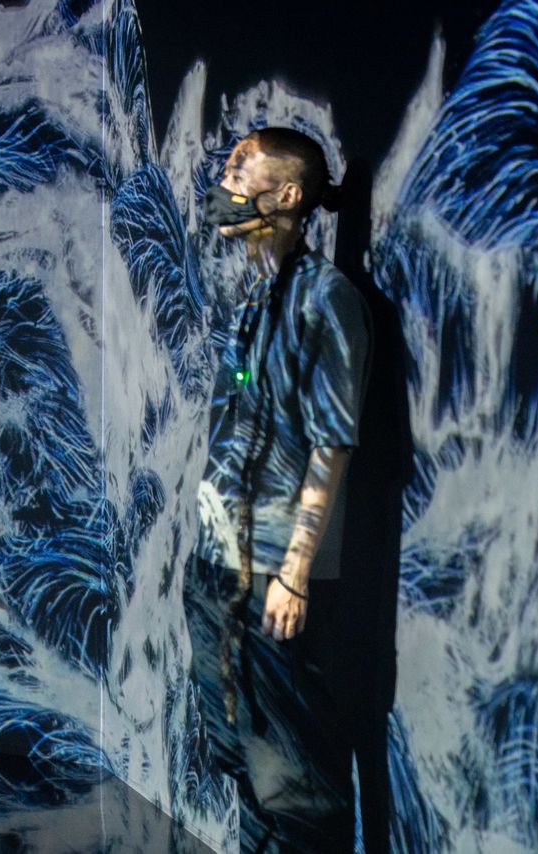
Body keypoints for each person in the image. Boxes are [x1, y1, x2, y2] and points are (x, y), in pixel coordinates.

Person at [185, 128, 371, 852]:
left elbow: (333, 442)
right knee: (233, 747)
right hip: (218, 563)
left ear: (287, 196)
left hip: (273, 574)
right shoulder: (256, 300)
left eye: (240, 173)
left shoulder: (329, 300)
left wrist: (294, 572)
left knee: (291, 781)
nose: (226, 185)